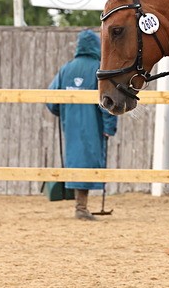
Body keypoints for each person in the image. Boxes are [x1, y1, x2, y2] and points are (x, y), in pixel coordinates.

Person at [46, 29, 118, 220]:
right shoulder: (99, 68)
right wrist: (109, 127)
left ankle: (80, 205)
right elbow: (108, 101)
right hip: (93, 125)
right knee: (89, 160)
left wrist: (63, 113)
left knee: (76, 160)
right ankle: (81, 207)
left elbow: (51, 99)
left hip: (71, 125)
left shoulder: (66, 69)